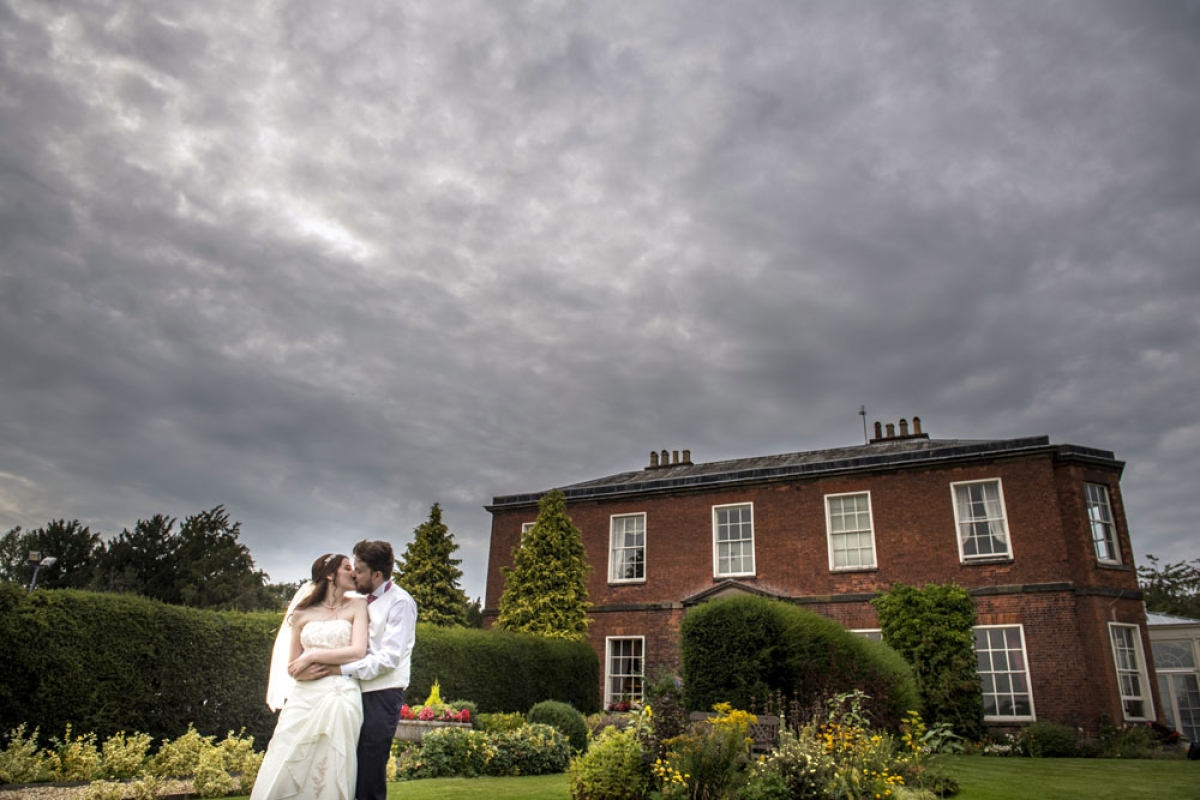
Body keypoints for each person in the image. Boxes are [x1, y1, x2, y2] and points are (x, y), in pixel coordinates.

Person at [297, 540, 418, 800]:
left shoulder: (401, 603)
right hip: (351, 693)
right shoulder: (358, 601)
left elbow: (388, 659)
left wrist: (340, 669)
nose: (354, 574)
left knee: (370, 768)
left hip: (382, 694)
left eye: (359, 570)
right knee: (345, 766)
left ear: (377, 574)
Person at [252, 553, 369, 800]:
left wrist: (311, 657)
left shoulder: (358, 605)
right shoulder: (302, 614)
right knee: (287, 753)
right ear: (329, 575)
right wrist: (304, 670)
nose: (353, 573)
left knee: (330, 761)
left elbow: (358, 651)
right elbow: (293, 665)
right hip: (304, 694)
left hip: (340, 692)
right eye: (347, 568)